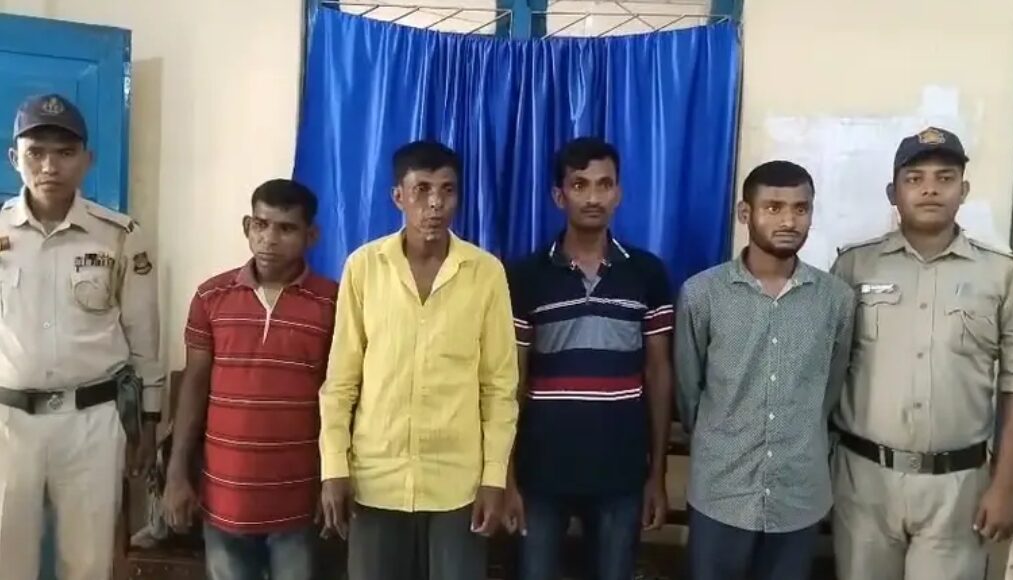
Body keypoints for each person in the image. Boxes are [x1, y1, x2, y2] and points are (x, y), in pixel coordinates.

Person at [319, 140, 519, 580]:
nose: (435, 204)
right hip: (376, 480)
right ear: (398, 196)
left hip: (457, 485)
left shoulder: (485, 273)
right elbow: (341, 382)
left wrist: (494, 477)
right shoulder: (364, 268)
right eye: (422, 189)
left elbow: (499, 388)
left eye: (447, 190)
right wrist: (333, 468)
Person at [830, 127, 1013, 580]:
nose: (930, 189)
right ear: (892, 193)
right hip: (863, 480)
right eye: (915, 179)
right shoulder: (852, 267)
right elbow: (825, 370)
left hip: (958, 488)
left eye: (945, 177)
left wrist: (1007, 486)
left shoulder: (1002, 274)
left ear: (964, 190)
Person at [0, 93, 163, 580]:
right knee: (6, 559)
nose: (50, 166)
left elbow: (143, 336)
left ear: (88, 160)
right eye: (36, 152)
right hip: (8, 423)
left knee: (88, 563)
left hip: (92, 421)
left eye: (65, 153)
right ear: (14, 157)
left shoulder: (119, 235)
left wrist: (148, 422)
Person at [502, 137, 674, 580]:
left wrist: (657, 475)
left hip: (621, 472)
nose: (593, 197)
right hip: (541, 472)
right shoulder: (525, 277)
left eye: (604, 184)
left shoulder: (647, 273)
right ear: (559, 196)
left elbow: (658, 373)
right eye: (580, 185)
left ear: (619, 193)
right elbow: (511, 382)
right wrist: (507, 477)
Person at [675, 160, 855, 580]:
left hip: (798, 496)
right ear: (745, 213)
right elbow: (689, 391)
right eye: (773, 207)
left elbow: (831, 387)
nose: (789, 221)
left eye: (800, 208)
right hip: (721, 492)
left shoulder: (836, 300)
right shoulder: (702, 294)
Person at [162, 179, 338, 580]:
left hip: (298, 499)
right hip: (224, 496)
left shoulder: (334, 302)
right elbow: (194, 387)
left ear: (311, 236)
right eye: (261, 224)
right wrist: (177, 473)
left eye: (286, 228)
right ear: (247, 226)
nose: (269, 239)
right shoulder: (211, 297)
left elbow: (342, 398)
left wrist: (333, 481)